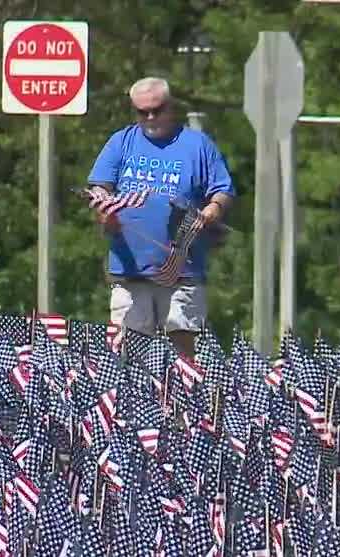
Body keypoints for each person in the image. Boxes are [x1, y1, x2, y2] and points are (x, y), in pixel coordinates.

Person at [86, 77, 236, 359]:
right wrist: (103, 210)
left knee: (183, 348)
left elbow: (222, 190)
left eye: (158, 109)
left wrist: (213, 209)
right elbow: (100, 187)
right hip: (130, 268)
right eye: (143, 112)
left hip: (182, 267)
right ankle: (134, 401)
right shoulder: (121, 142)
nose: (151, 117)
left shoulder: (198, 145)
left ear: (171, 107)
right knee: (128, 350)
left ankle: (180, 401)